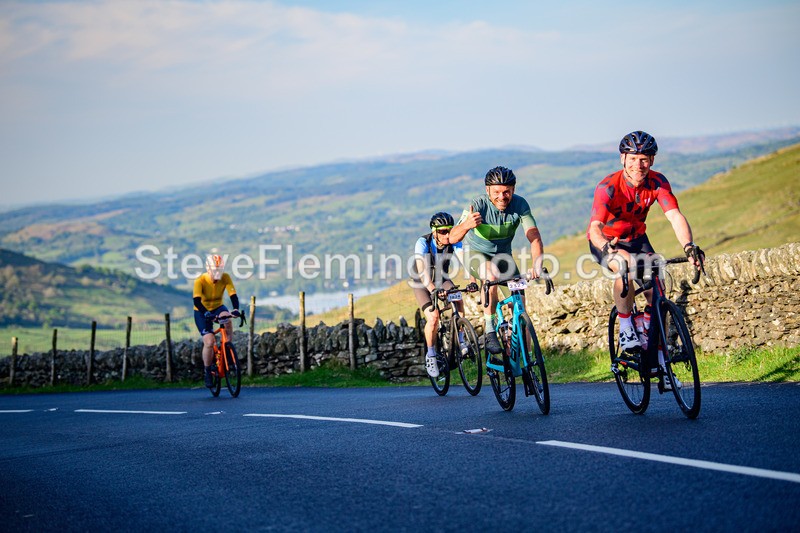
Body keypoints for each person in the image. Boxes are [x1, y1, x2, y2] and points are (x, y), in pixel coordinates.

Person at [587, 131, 704, 386]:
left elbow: (674, 215)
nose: (639, 165)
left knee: (658, 289)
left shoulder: (657, 182)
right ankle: (627, 328)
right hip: (609, 241)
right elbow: (594, 227)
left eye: (645, 159)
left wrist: (689, 246)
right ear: (623, 159)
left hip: (638, 238)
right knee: (625, 265)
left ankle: (659, 356)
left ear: (651, 160)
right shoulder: (608, 186)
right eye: (633, 159)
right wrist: (606, 247)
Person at [449, 166, 545, 355]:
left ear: (513, 190)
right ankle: (490, 329)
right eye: (497, 192)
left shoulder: (520, 205)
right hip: (476, 254)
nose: (502, 197)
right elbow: (452, 237)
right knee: (490, 275)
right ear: (487, 191)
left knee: (520, 309)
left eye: (507, 191)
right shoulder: (478, 204)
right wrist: (467, 225)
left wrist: (537, 264)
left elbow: (534, 236)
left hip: (503, 257)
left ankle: (525, 361)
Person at [411, 212, 477, 378]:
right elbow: (423, 272)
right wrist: (433, 289)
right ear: (434, 232)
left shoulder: (454, 241)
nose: (447, 235)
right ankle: (431, 355)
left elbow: (465, 261)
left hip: (442, 279)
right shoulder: (423, 242)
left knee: (458, 299)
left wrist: (472, 280)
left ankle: (461, 340)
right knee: (433, 317)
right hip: (422, 282)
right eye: (442, 232)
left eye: (449, 230)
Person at [193, 254, 241, 388]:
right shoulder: (200, 280)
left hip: (218, 307)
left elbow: (233, 295)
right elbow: (196, 301)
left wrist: (236, 309)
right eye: (215, 269)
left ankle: (227, 346)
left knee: (227, 319)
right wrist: (206, 313)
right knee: (209, 341)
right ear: (208, 268)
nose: (218, 272)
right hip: (201, 311)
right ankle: (207, 371)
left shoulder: (225, 277)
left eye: (220, 269)